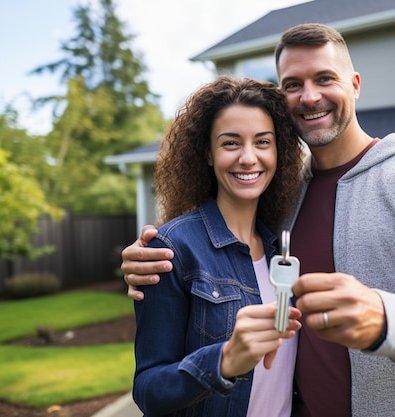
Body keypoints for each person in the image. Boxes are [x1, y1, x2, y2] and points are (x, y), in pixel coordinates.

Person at [122, 24, 395, 417]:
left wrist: (385, 318)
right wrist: (147, 259)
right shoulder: (281, 198)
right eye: (292, 84)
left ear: (354, 84)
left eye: (324, 78)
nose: (310, 96)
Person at [131, 76, 305, 417]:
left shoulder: (280, 250)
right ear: (208, 154)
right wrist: (223, 361)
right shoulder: (173, 249)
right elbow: (148, 390)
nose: (248, 157)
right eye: (230, 143)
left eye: (263, 142)